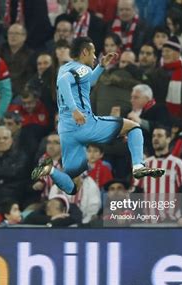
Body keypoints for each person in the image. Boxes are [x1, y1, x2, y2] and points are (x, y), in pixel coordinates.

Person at [32, 37, 165, 196]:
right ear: (84, 52)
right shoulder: (81, 68)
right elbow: (64, 82)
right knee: (134, 127)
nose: (95, 56)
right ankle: (138, 167)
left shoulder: (65, 67)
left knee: (73, 187)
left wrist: (101, 66)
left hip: (66, 131)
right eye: (93, 52)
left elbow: (87, 81)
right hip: (84, 125)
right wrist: (75, 110)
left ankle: (50, 170)